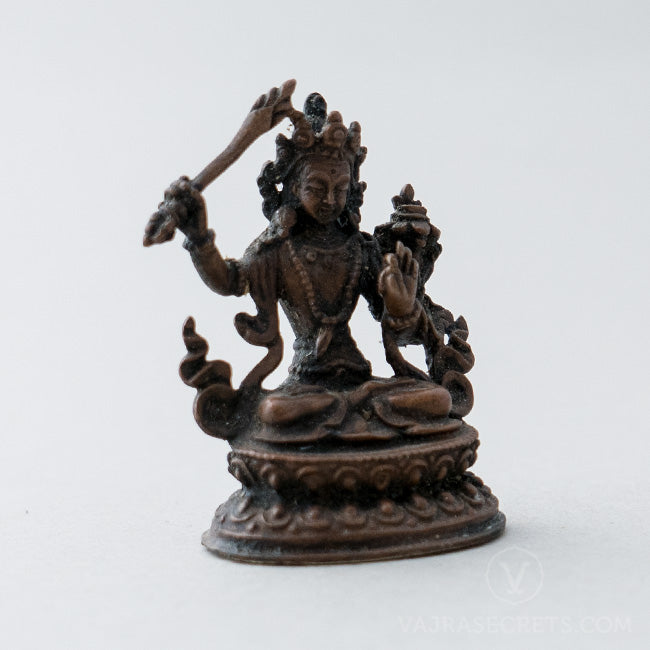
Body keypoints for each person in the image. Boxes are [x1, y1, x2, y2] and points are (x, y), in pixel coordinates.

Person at [150, 94, 472, 442]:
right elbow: (230, 280)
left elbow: (405, 330)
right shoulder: (277, 250)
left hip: (362, 382)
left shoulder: (360, 249)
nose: (330, 200)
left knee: (437, 399)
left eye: (340, 189)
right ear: (292, 188)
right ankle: (355, 424)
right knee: (274, 411)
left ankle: (349, 421)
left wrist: (401, 308)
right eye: (317, 188)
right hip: (305, 387)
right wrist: (199, 238)